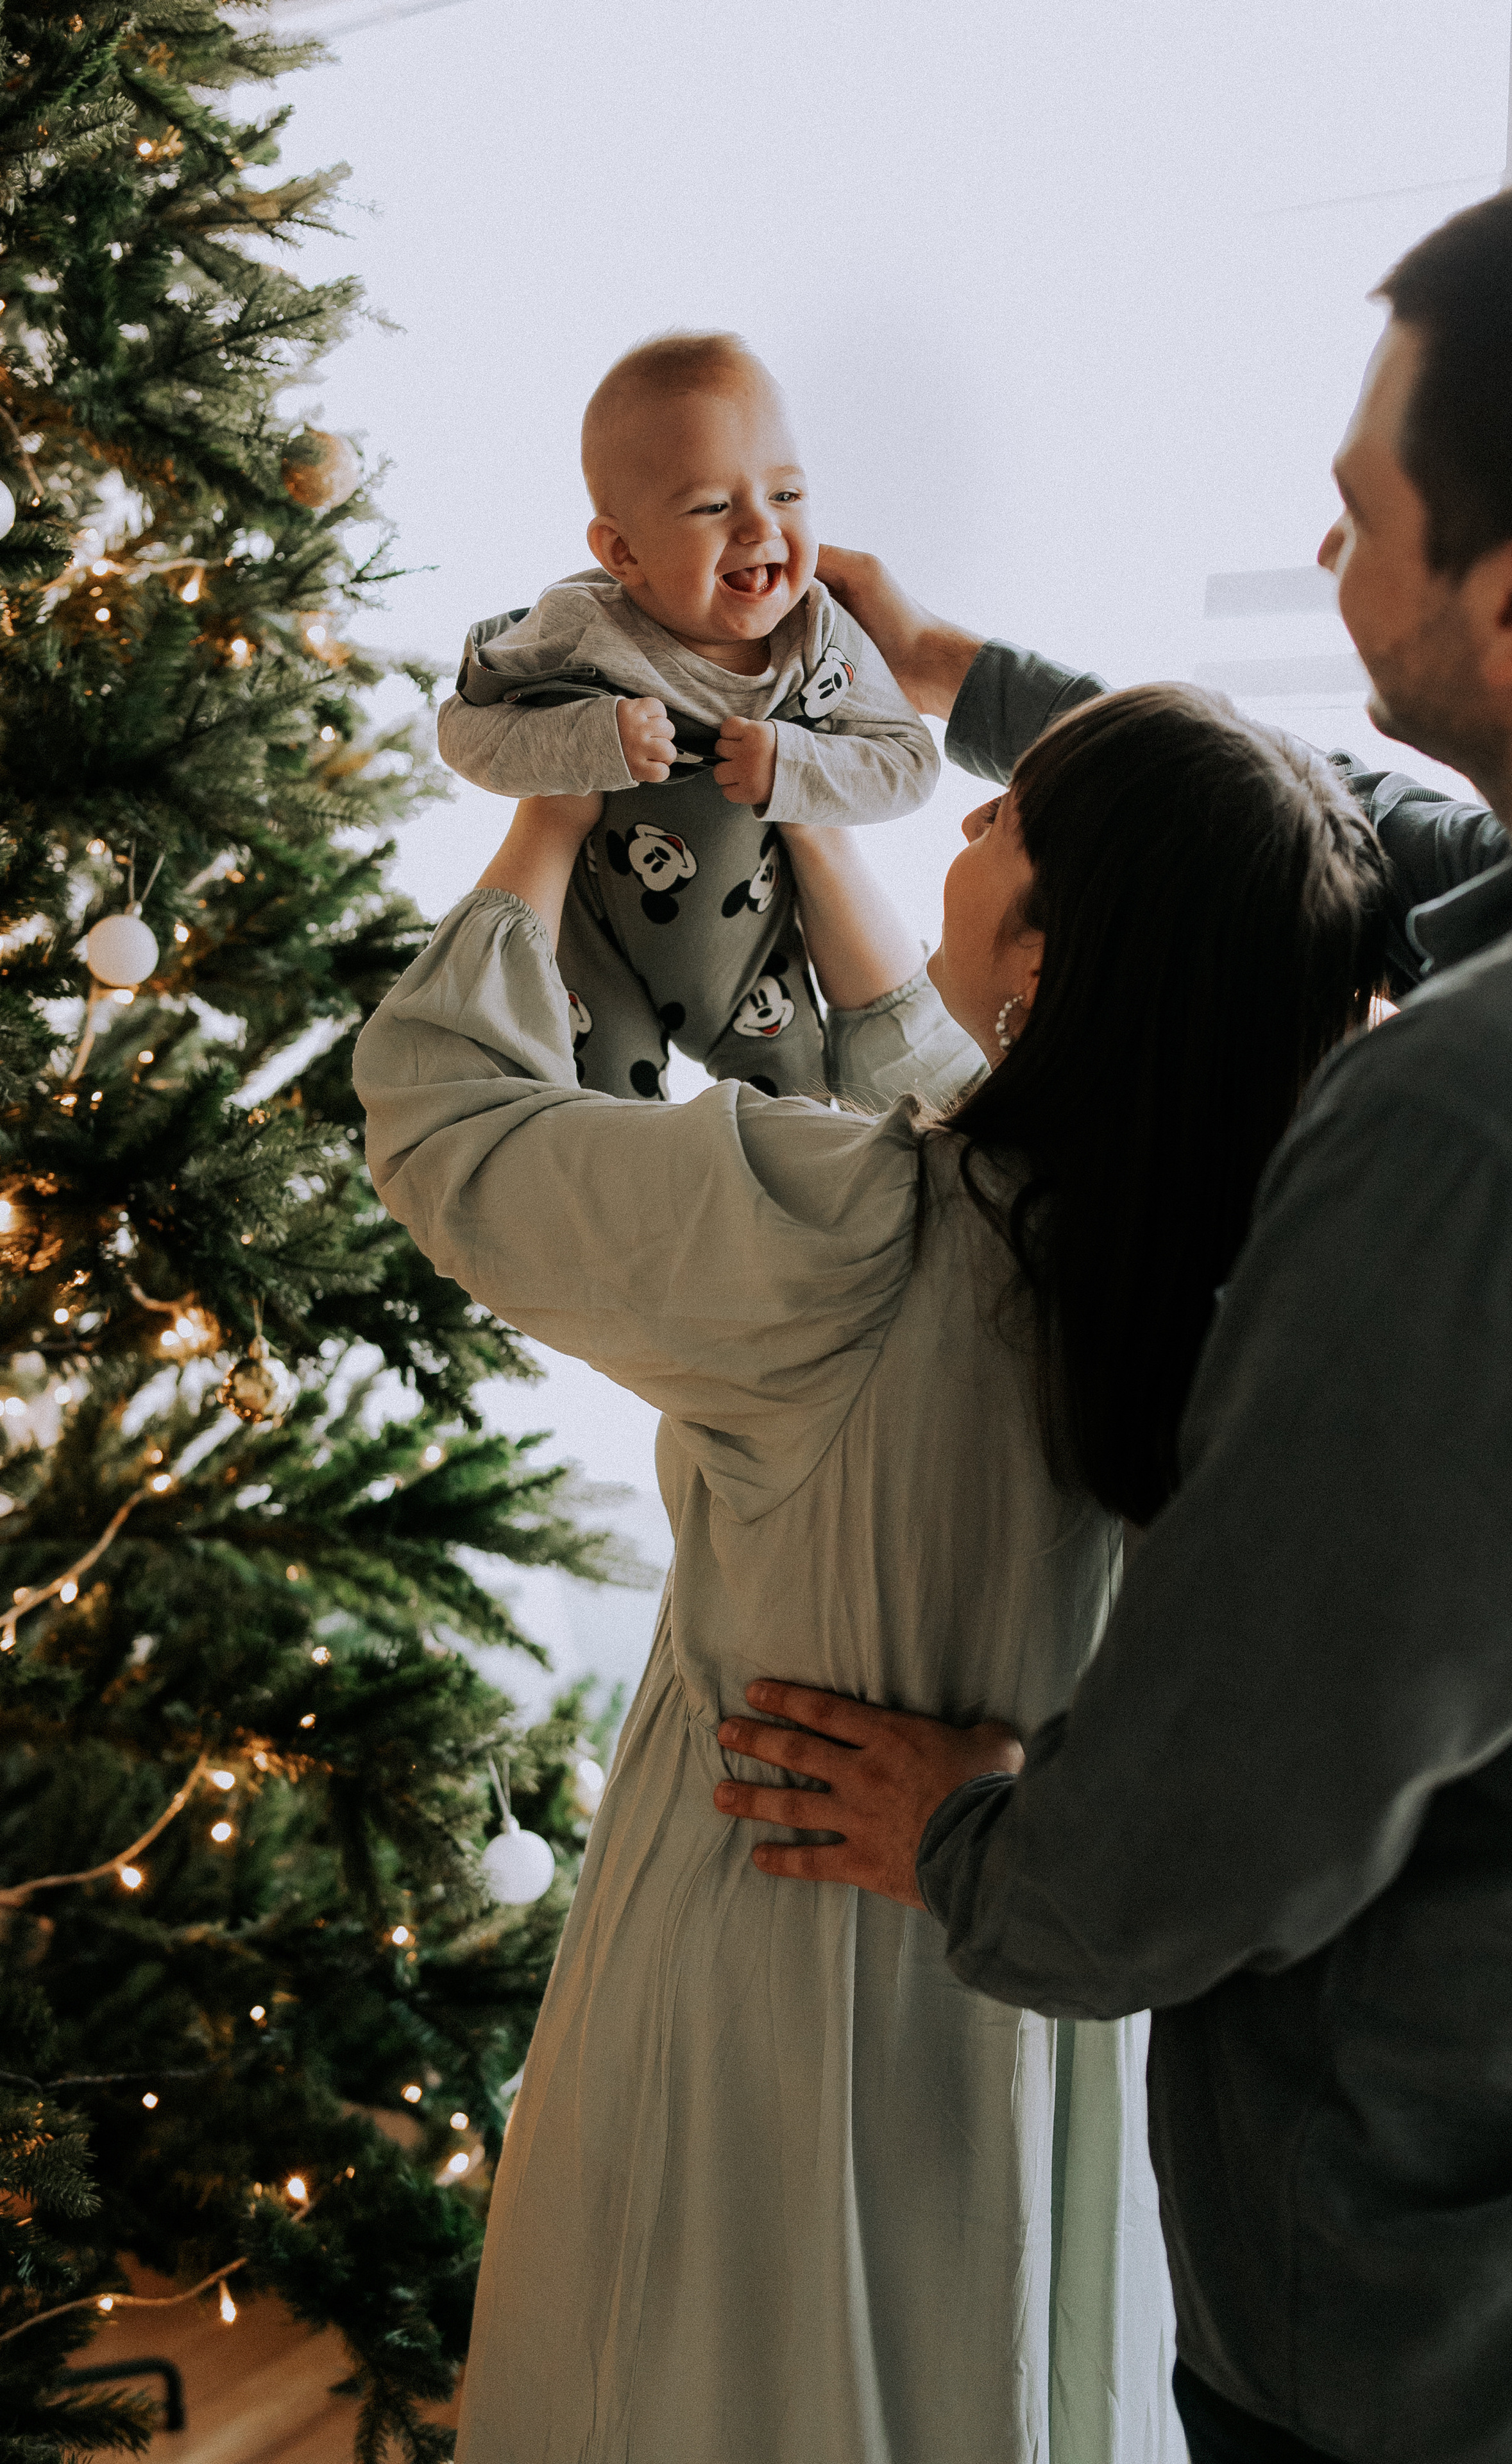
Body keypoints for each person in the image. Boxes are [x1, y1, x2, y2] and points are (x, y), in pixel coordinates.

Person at [714, 167, 1512, 2464]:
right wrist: (954, 679)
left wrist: (979, 1842)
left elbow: (1202, 1832)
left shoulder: (1468, 1140)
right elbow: (1330, 826)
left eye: (1356, 518)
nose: (1322, 561)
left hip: (1426, 2331)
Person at [353, 679, 1388, 2462]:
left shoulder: (841, 1238)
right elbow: (974, 1137)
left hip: (773, 1976)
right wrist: (819, 837)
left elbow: (443, 1126)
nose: (963, 831)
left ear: (1058, 964)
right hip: (1030, 1978)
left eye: (1004, 828)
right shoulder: (1249, 1288)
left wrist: (537, 815)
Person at [435, 330, 939, 1101]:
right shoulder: (578, 628)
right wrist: (586, 741)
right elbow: (463, 731)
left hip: (746, 958)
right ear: (622, 552)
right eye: (711, 506)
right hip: (596, 951)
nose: (759, 528)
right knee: (598, 1126)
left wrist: (796, 767)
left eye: (787, 495)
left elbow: (909, 765)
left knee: (805, 1124)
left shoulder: (819, 637)